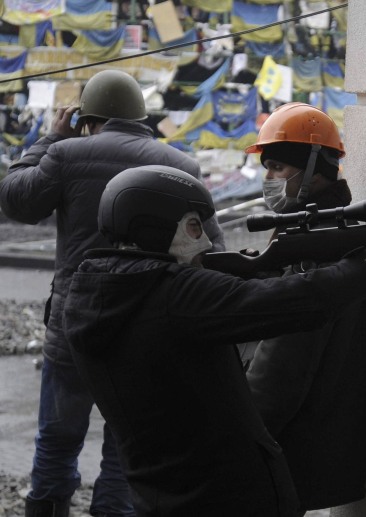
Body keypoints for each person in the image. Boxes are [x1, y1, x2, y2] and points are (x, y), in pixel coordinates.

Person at [62, 165, 366, 516]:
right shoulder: (175, 296)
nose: (205, 243)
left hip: (161, 496)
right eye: (193, 227)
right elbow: (302, 302)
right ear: (155, 227)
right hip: (227, 501)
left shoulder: (95, 294)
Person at [0, 69, 225, 517]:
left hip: (74, 321)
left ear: (89, 118)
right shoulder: (182, 168)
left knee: (57, 439)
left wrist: (49, 139)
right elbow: (212, 252)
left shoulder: (65, 154)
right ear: (142, 118)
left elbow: (15, 199)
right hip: (146, 324)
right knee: (127, 446)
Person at [240, 102, 366, 513]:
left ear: (314, 172)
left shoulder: (319, 246)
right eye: (267, 168)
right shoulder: (311, 233)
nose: (267, 179)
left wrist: (243, 439)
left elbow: (282, 366)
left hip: (285, 444)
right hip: (298, 442)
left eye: (278, 169)